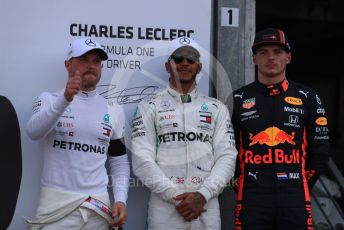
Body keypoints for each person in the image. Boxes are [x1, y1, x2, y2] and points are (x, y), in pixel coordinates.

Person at [130, 36, 237, 229]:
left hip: (206, 205)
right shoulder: (149, 107)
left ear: (199, 67)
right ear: (167, 66)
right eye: (177, 58)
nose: (184, 63)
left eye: (191, 59)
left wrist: (202, 195)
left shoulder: (217, 108)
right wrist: (175, 196)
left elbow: (227, 157)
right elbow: (141, 159)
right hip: (164, 206)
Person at [25, 37, 130, 229]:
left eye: (96, 61)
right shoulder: (49, 99)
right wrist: (65, 100)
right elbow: (33, 132)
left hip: (98, 208)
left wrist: (121, 199)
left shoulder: (113, 109)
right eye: (83, 59)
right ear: (67, 64)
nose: (91, 66)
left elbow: (119, 160)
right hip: (55, 207)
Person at [231, 28, 330, 229]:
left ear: (288, 57)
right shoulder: (237, 99)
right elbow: (227, 149)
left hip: (294, 197)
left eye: (277, 52)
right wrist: (241, 181)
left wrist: (298, 183)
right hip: (252, 197)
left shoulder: (307, 96)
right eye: (263, 52)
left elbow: (320, 152)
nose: (270, 57)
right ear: (254, 59)